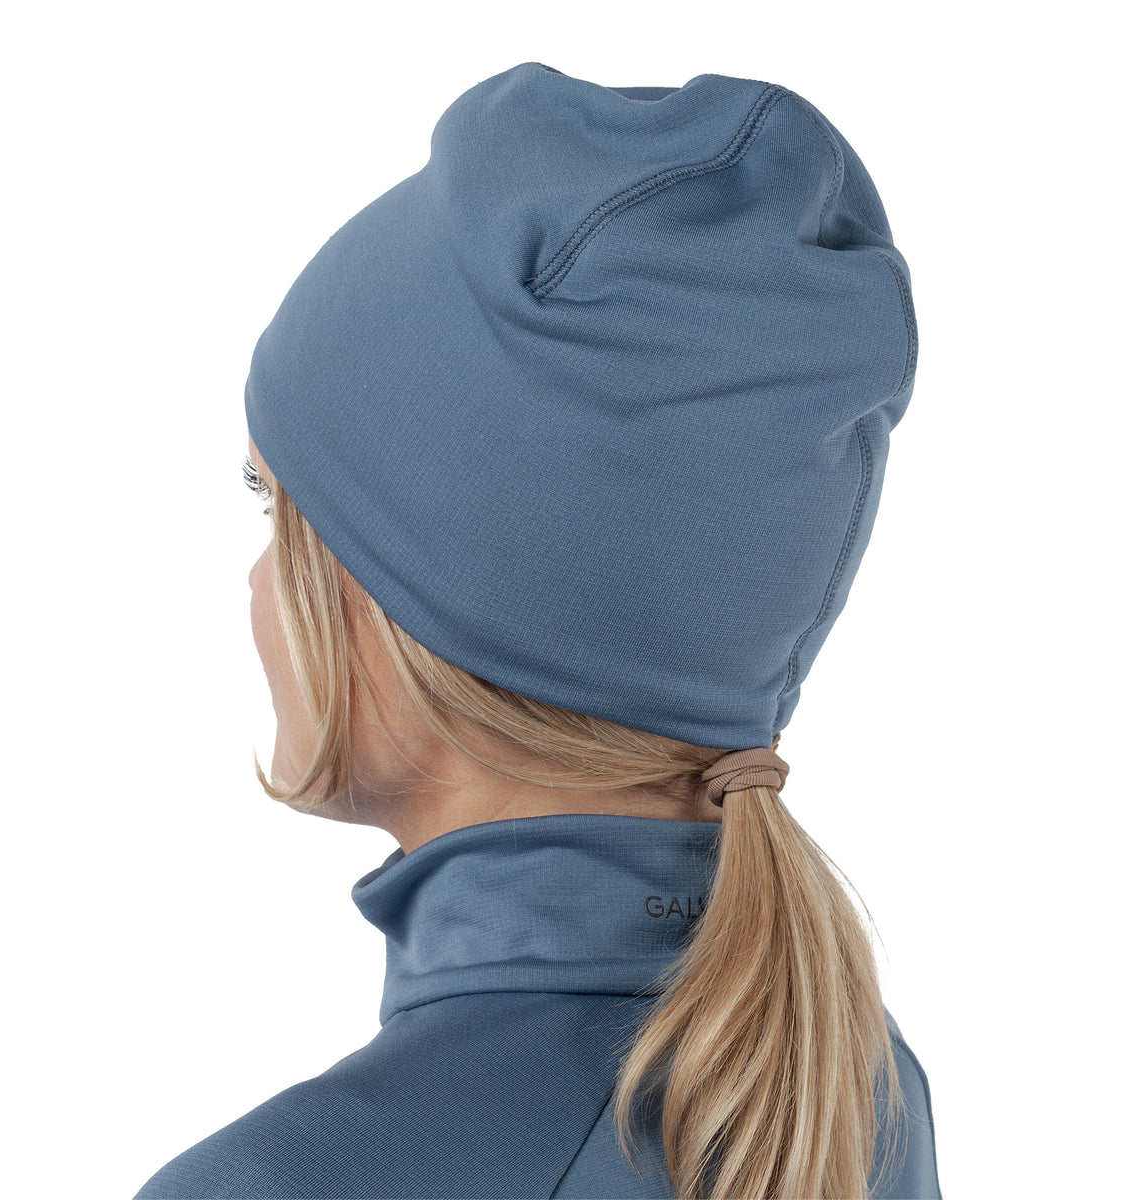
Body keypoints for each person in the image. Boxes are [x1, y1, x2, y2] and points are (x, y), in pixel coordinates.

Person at [134, 61, 941, 1200]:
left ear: (413, 597)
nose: (258, 583)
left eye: (277, 508)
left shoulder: (284, 1184)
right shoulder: (845, 1092)